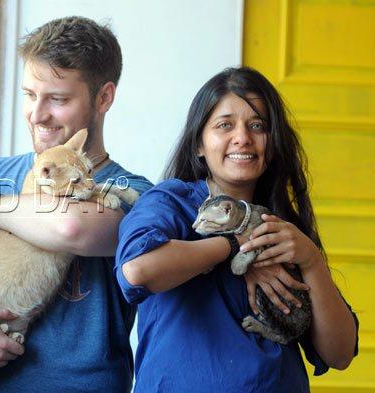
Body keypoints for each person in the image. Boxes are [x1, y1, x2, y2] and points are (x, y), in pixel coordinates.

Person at [0, 16, 153, 392]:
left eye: (58, 99)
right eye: (30, 94)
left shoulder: (136, 194)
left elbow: (73, 227)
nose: (37, 114)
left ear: (104, 97)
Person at [116, 67, 359, 392]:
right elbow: (138, 271)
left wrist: (311, 261)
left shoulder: (283, 229)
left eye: (257, 125)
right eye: (224, 125)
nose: (243, 137)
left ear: (272, 145)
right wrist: (232, 244)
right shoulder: (172, 204)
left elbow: (340, 353)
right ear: (199, 143)